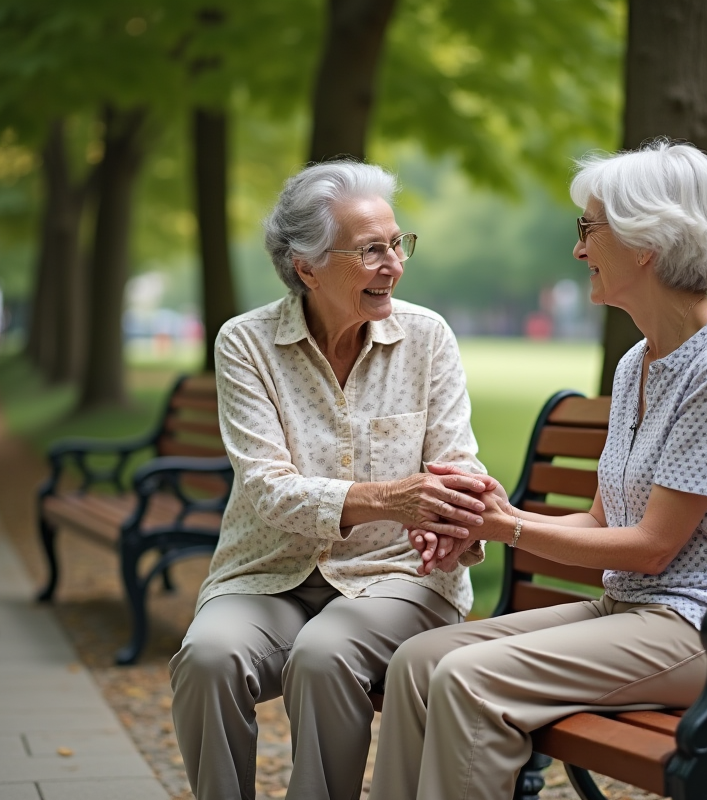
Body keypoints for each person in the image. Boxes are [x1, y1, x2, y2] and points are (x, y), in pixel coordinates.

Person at [368, 140, 707, 800]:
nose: (579, 250)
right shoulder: (639, 362)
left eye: (590, 228)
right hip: (639, 610)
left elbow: (653, 546)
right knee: (418, 661)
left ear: (646, 243)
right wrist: (492, 516)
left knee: (469, 679)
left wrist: (508, 529)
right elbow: (604, 523)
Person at [170, 160, 493, 800]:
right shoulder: (246, 344)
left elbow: (458, 461)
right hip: (269, 572)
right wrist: (391, 498)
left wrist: (453, 516)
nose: (393, 264)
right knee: (207, 658)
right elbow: (268, 488)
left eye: (398, 243)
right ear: (307, 267)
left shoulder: (426, 337)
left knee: (324, 656)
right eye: (371, 250)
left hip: (397, 576)